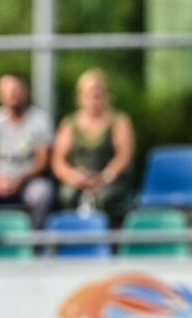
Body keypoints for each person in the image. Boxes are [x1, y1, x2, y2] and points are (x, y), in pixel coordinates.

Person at [0, 72, 55, 226]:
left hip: (28, 182)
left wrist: (20, 180)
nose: (12, 95)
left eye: (16, 90)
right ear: (0, 95)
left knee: (43, 193)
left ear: (26, 92)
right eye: (7, 91)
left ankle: (35, 244)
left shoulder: (40, 121)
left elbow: (43, 160)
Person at [51, 69, 135, 221]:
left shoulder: (119, 121)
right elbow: (58, 161)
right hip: (78, 179)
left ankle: (108, 239)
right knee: (67, 195)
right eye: (90, 93)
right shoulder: (69, 124)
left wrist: (104, 177)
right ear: (80, 96)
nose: (94, 98)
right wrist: (73, 177)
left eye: (99, 93)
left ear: (107, 95)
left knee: (104, 197)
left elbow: (124, 156)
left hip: (110, 179)